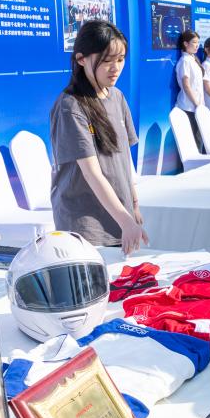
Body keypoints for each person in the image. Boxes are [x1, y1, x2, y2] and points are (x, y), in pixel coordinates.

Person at [50, 19, 148, 254]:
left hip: (118, 215)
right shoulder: (71, 106)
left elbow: (124, 160)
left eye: (120, 59)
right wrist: (125, 220)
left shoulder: (117, 96)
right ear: (81, 59)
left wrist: (133, 205)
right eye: (106, 60)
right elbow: (91, 173)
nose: (115, 68)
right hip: (87, 224)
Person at [174, 30, 205, 152]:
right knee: (194, 142)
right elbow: (186, 86)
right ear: (186, 43)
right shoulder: (185, 61)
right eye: (194, 42)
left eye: (198, 42)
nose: (197, 45)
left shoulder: (192, 59)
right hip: (189, 108)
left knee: (199, 140)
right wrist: (197, 104)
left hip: (196, 107)